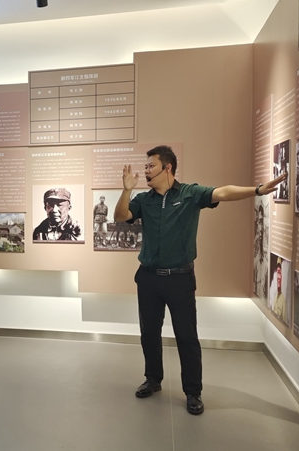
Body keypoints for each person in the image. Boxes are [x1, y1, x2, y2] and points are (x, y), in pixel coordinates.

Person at [114, 145, 285, 415]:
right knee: (149, 334)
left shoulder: (189, 193)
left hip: (180, 279)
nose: (146, 171)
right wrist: (126, 191)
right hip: (148, 278)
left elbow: (223, 192)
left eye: (151, 166)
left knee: (186, 336)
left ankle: (193, 391)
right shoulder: (144, 200)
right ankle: (153, 379)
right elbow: (120, 216)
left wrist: (257, 190)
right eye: (145, 166)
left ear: (167, 168)